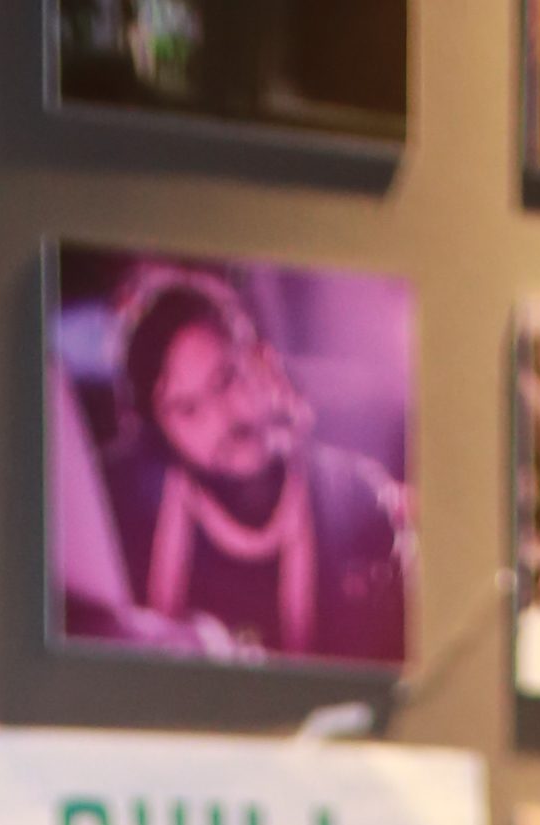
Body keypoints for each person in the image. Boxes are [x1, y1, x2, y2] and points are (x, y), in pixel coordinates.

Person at [75, 264, 410, 666]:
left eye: (226, 379)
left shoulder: (356, 497)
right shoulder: (121, 516)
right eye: (187, 408)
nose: (221, 419)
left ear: (261, 360)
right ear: (161, 432)